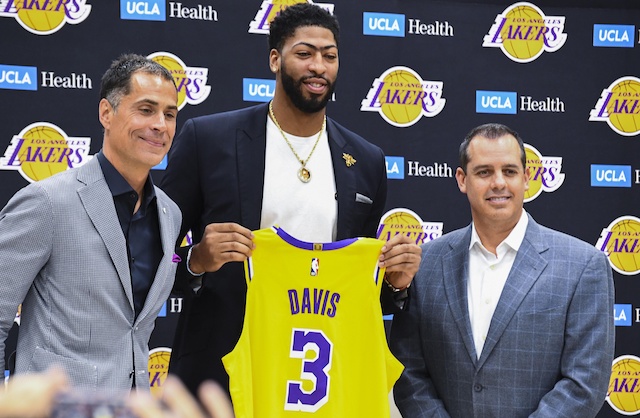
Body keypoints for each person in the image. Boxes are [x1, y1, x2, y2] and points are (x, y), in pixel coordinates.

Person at [160, 2, 421, 396]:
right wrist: (197, 261)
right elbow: (150, 255)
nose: (318, 66)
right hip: (224, 369)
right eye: (305, 53)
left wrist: (397, 285)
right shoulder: (207, 140)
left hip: (317, 376)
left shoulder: (366, 160)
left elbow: (360, 286)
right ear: (275, 59)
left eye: (329, 56)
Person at [390, 123, 615, 417]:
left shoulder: (584, 266)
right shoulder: (426, 264)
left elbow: (584, 384)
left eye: (509, 171)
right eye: (484, 172)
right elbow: (408, 371)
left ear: (526, 179)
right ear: (462, 179)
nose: (498, 183)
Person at [0, 53, 181, 390]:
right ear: (106, 113)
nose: (160, 124)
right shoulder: (48, 202)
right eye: (146, 109)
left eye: (169, 114)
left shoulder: (170, 214)